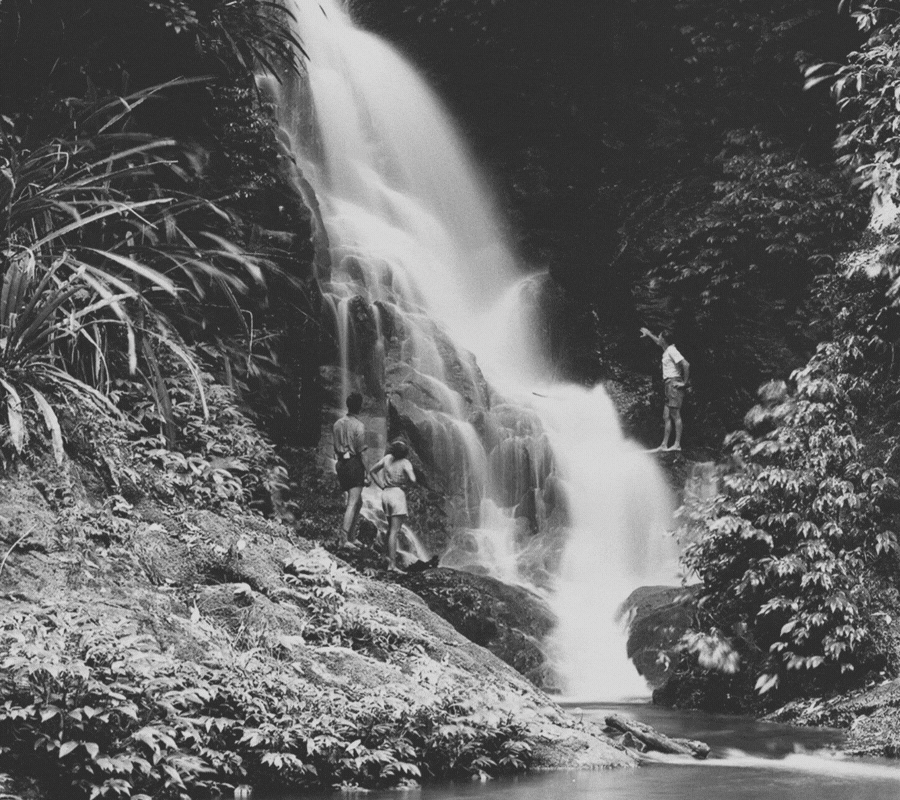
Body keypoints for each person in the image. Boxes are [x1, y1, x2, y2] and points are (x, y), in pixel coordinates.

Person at [368, 440, 417, 573]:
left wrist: (381, 485)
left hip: (385, 494)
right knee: (395, 531)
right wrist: (406, 484)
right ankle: (392, 565)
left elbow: (372, 471)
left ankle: (385, 558)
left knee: (390, 529)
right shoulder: (405, 463)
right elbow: (413, 479)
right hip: (397, 494)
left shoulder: (387, 458)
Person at [640, 327, 690, 451]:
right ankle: (664, 445)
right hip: (668, 384)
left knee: (675, 414)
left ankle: (677, 444)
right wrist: (649, 334)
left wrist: (684, 383)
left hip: (673, 383)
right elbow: (658, 342)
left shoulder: (672, 350)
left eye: (660, 336)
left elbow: (686, 364)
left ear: (664, 339)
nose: (658, 338)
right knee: (666, 415)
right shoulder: (667, 349)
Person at [332, 392, 368, 549]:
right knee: (353, 502)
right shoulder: (359, 426)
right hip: (354, 464)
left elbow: (335, 448)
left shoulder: (337, 424)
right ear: (359, 407)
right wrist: (368, 473)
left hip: (341, 464)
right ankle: (344, 539)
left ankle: (352, 537)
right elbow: (362, 452)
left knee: (358, 502)